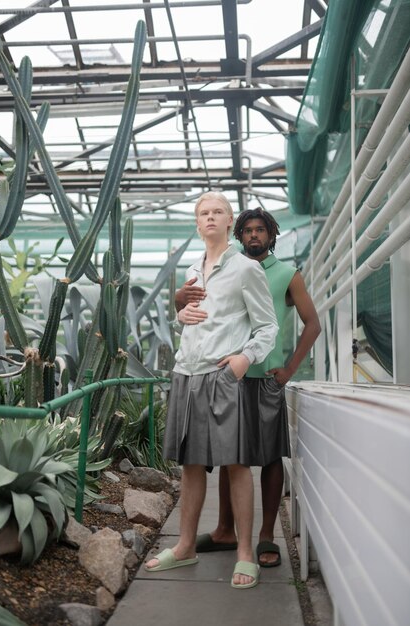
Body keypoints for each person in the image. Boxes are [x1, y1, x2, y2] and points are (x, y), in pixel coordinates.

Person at [145, 193, 279, 589]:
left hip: (223, 374)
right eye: (203, 213)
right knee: (190, 464)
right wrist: (181, 315)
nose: (210, 217)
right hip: (186, 372)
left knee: (236, 464)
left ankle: (244, 554)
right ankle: (185, 546)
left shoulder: (245, 269)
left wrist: (245, 358)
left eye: (217, 211)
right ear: (197, 223)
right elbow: (196, 319)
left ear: (228, 220)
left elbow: (268, 325)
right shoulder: (192, 268)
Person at [175, 207, 321, 567]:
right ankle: (226, 529)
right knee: (231, 455)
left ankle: (266, 536)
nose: (254, 235)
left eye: (261, 230)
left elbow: (313, 323)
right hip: (224, 374)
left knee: (270, 455)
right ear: (238, 235)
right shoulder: (225, 268)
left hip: (264, 376)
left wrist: (289, 368)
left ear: (272, 235)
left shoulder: (288, 274)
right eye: (248, 231)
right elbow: (191, 307)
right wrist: (179, 302)